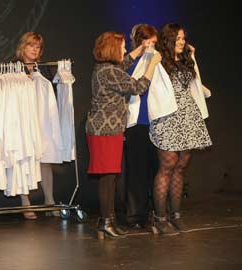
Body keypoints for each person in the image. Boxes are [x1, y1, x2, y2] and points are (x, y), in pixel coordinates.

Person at [86, 31, 161, 239]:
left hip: (106, 130)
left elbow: (125, 62)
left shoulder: (106, 68)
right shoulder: (109, 72)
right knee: (108, 178)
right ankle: (106, 222)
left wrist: (142, 49)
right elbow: (138, 87)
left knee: (110, 176)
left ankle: (106, 221)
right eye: (121, 47)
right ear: (112, 49)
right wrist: (152, 63)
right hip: (105, 131)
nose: (125, 50)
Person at [150, 23, 212, 235]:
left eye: (183, 38)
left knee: (181, 166)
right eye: (177, 39)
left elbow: (195, 84)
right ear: (167, 40)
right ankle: (159, 218)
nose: (182, 42)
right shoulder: (159, 60)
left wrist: (192, 56)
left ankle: (176, 215)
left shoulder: (186, 60)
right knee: (167, 165)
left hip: (187, 116)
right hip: (167, 115)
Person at [15, 32, 59, 219]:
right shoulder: (12, 68)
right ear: (23, 47)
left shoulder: (45, 69)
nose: (35, 49)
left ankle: (49, 200)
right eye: (31, 45)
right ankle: (25, 203)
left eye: (38, 47)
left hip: (42, 120)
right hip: (21, 121)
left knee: (45, 160)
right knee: (23, 161)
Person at [124, 24, 159, 229]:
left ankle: (154, 212)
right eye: (148, 42)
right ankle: (135, 215)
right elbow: (135, 88)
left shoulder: (158, 60)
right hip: (136, 123)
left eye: (154, 42)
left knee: (155, 169)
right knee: (137, 170)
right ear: (139, 41)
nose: (151, 46)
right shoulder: (130, 62)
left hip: (156, 122)